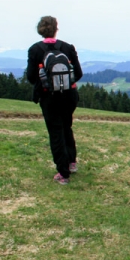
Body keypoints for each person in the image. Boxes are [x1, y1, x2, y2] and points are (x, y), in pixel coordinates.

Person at [27, 16, 83, 185]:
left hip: (49, 97)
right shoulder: (67, 47)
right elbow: (78, 73)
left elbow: (31, 77)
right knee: (67, 126)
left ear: (41, 29)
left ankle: (63, 173)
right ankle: (71, 163)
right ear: (56, 28)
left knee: (55, 132)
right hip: (69, 96)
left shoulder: (35, 50)